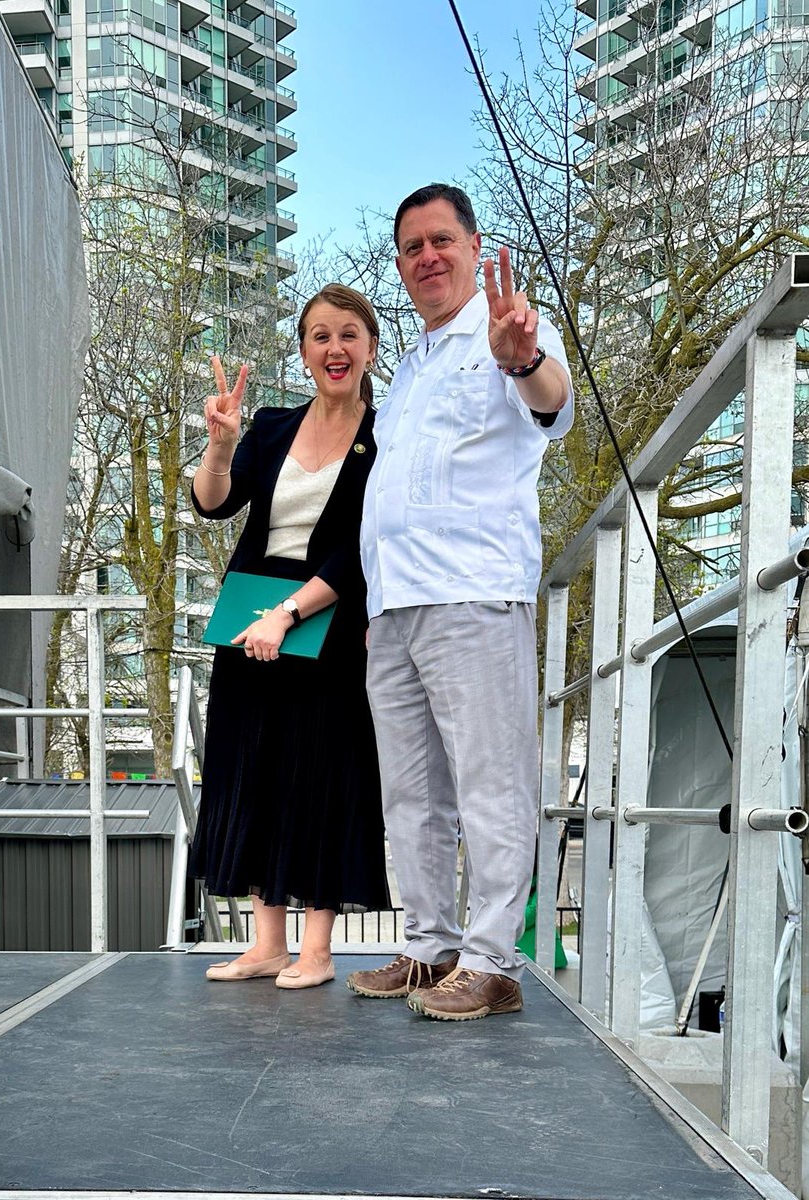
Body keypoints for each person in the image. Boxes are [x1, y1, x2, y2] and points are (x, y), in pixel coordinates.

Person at [346, 184, 574, 1020]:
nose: (427, 258)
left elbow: (553, 404)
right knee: (410, 794)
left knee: (491, 785)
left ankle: (491, 963)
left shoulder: (508, 330)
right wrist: (377, 607)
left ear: (476, 247)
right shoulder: (408, 368)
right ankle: (429, 946)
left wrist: (518, 355)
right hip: (396, 611)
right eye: (412, 248)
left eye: (442, 240)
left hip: (473, 595)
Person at [190, 283, 391, 990]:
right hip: (248, 621)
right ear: (303, 350)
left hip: (330, 622)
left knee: (323, 778)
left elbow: (364, 548)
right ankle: (266, 943)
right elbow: (216, 504)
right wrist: (220, 447)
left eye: (348, 334)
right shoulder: (273, 425)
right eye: (319, 336)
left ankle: (317, 951)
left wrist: (291, 614)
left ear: (369, 346)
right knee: (253, 771)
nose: (334, 348)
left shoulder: (386, 437)